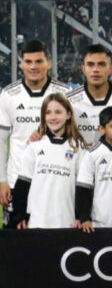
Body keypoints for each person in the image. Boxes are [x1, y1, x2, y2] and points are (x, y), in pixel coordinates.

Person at [0, 40, 71, 225]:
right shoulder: (9, 95)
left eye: (39, 61)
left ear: (49, 63)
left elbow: (71, 134)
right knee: (16, 244)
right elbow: (1, 141)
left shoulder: (64, 93)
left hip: (53, 181)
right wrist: (2, 180)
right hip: (17, 180)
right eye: (28, 61)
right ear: (21, 64)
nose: (33, 66)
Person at [10, 94, 86, 229]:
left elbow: (82, 188)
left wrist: (82, 216)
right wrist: (20, 215)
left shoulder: (78, 149)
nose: (53, 117)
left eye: (58, 112)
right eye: (48, 113)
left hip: (67, 223)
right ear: (44, 117)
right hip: (37, 222)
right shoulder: (34, 147)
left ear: (68, 115)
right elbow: (23, 184)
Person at [66, 44, 112, 147]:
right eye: (90, 65)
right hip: (80, 161)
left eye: (101, 64)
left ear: (111, 69)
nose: (95, 69)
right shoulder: (68, 100)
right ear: (83, 69)